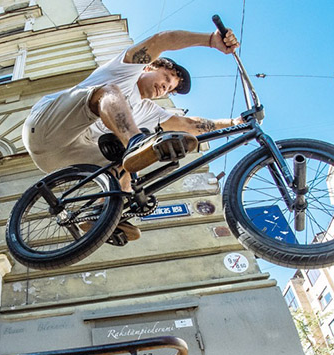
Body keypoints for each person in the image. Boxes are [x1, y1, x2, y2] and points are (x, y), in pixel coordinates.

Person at [21, 26, 243, 240]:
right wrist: (210, 40)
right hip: (44, 127)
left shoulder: (148, 110)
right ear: (148, 68)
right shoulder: (125, 70)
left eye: (169, 88)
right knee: (111, 94)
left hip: (62, 159)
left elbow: (189, 124)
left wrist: (235, 123)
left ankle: (101, 214)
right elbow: (162, 40)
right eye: (164, 79)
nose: (164, 88)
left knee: (127, 158)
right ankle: (134, 142)